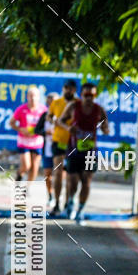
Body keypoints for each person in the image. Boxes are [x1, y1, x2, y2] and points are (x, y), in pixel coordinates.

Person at [57, 82, 109, 223]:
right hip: (74, 149)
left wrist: (104, 128)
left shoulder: (99, 110)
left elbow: (106, 128)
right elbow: (60, 121)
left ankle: (80, 210)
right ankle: (71, 201)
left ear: (95, 95)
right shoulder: (74, 106)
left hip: (91, 151)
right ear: (81, 95)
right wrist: (68, 129)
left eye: (92, 95)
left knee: (86, 181)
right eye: (86, 95)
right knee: (73, 182)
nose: (89, 98)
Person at [48, 79, 78, 216]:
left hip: (73, 142)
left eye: (71, 88)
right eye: (66, 87)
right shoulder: (56, 103)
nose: (68, 90)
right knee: (58, 172)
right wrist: (52, 120)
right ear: (63, 88)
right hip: (58, 140)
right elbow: (49, 117)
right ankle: (57, 203)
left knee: (71, 175)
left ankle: (68, 202)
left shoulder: (78, 104)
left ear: (75, 90)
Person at [9, 86, 47, 181]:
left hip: (37, 141)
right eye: (30, 95)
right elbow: (11, 123)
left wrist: (41, 131)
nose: (33, 98)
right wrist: (21, 129)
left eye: (35, 95)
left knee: (34, 167)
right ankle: (19, 175)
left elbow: (48, 124)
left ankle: (28, 187)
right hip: (24, 141)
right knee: (26, 165)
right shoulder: (21, 109)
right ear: (27, 97)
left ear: (39, 97)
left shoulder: (43, 110)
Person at [34, 91, 58, 206]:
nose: (51, 104)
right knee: (48, 174)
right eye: (49, 102)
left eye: (54, 102)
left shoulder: (63, 115)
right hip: (47, 149)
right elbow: (36, 130)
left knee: (59, 174)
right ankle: (50, 195)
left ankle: (59, 194)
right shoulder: (45, 115)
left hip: (60, 150)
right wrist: (46, 132)